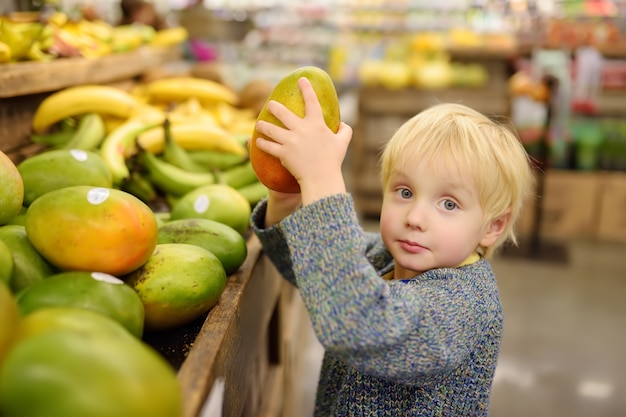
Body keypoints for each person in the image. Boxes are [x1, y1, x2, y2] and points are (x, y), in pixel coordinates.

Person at [250, 77, 535, 416]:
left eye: (448, 204)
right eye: (404, 192)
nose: (415, 217)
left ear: (493, 226)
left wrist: (322, 179)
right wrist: (285, 202)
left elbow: (360, 322)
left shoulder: (466, 304)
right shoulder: (385, 259)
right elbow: (318, 267)